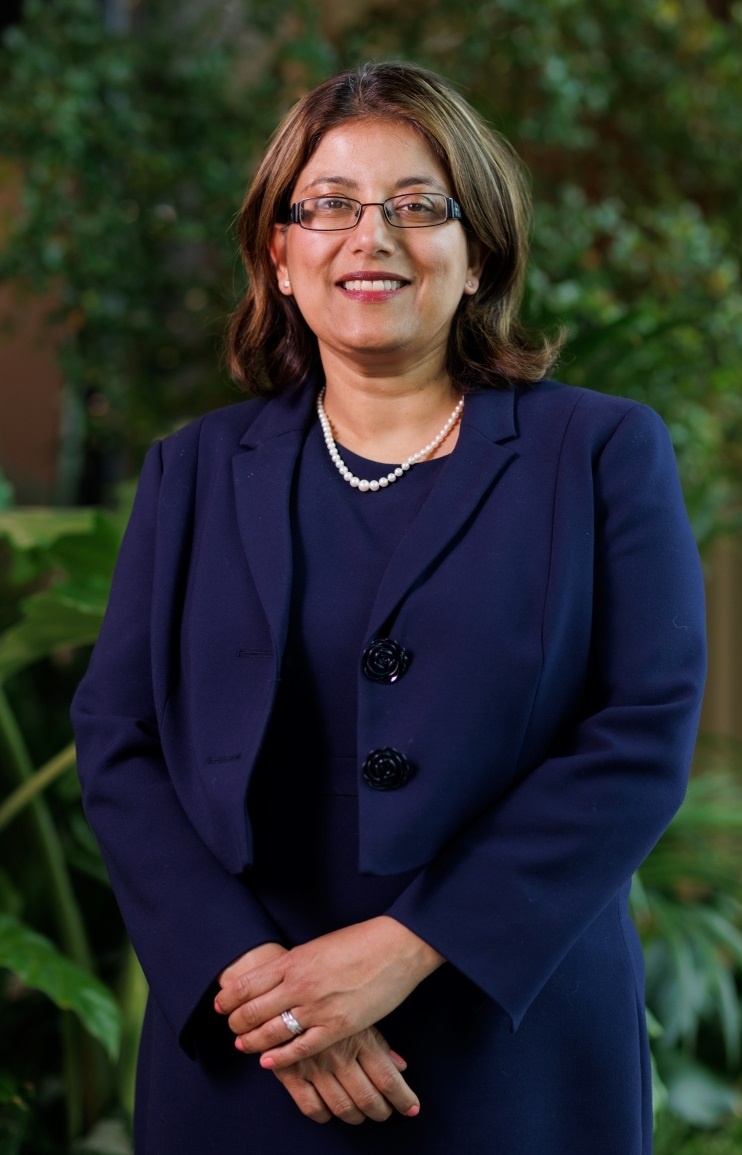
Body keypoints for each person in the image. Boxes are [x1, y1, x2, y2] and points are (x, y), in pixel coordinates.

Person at [71, 60, 707, 1154]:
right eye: (326, 206)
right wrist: (257, 987)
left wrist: (410, 945)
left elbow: (639, 735)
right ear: (280, 253)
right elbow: (116, 742)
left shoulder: (595, 453)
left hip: (511, 1039)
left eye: (417, 206)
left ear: (477, 258)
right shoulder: (193, 471)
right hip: (249, 1050)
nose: (371, 237)